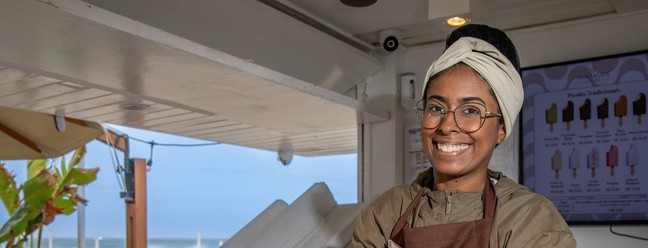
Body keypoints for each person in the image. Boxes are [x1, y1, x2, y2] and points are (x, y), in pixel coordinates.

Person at [352, 24, 576, 247]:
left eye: (471, 110)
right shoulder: (387, 211)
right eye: (436, 108)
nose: (447, 126)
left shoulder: (528, 218)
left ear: (501, 129)